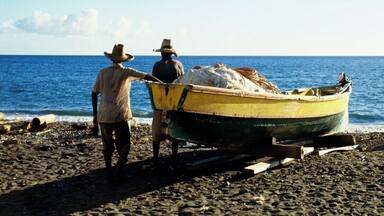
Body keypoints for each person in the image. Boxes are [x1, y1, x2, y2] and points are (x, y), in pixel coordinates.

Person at [92, 44, 160, 183]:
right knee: (125, 145)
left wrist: (95, 115)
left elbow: (94, 93)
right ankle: (119, 170)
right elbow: (147, 76)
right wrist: (163, 83)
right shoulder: (126, 72)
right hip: (120, 113)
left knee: (107, 146)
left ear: (111, 58)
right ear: (123, 59)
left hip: (104, 114)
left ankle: (109, 173)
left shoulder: (102, 72)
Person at [152, 39, 184, 165]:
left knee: (156, 131)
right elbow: (182, 82)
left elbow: (154, 84)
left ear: (161, 53)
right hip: (173, 102)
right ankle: (174, 157)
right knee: (174, 131)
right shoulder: (178, 65)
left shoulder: (157, 65)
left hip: (160, 102)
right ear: (171, 53)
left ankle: (155, 158)